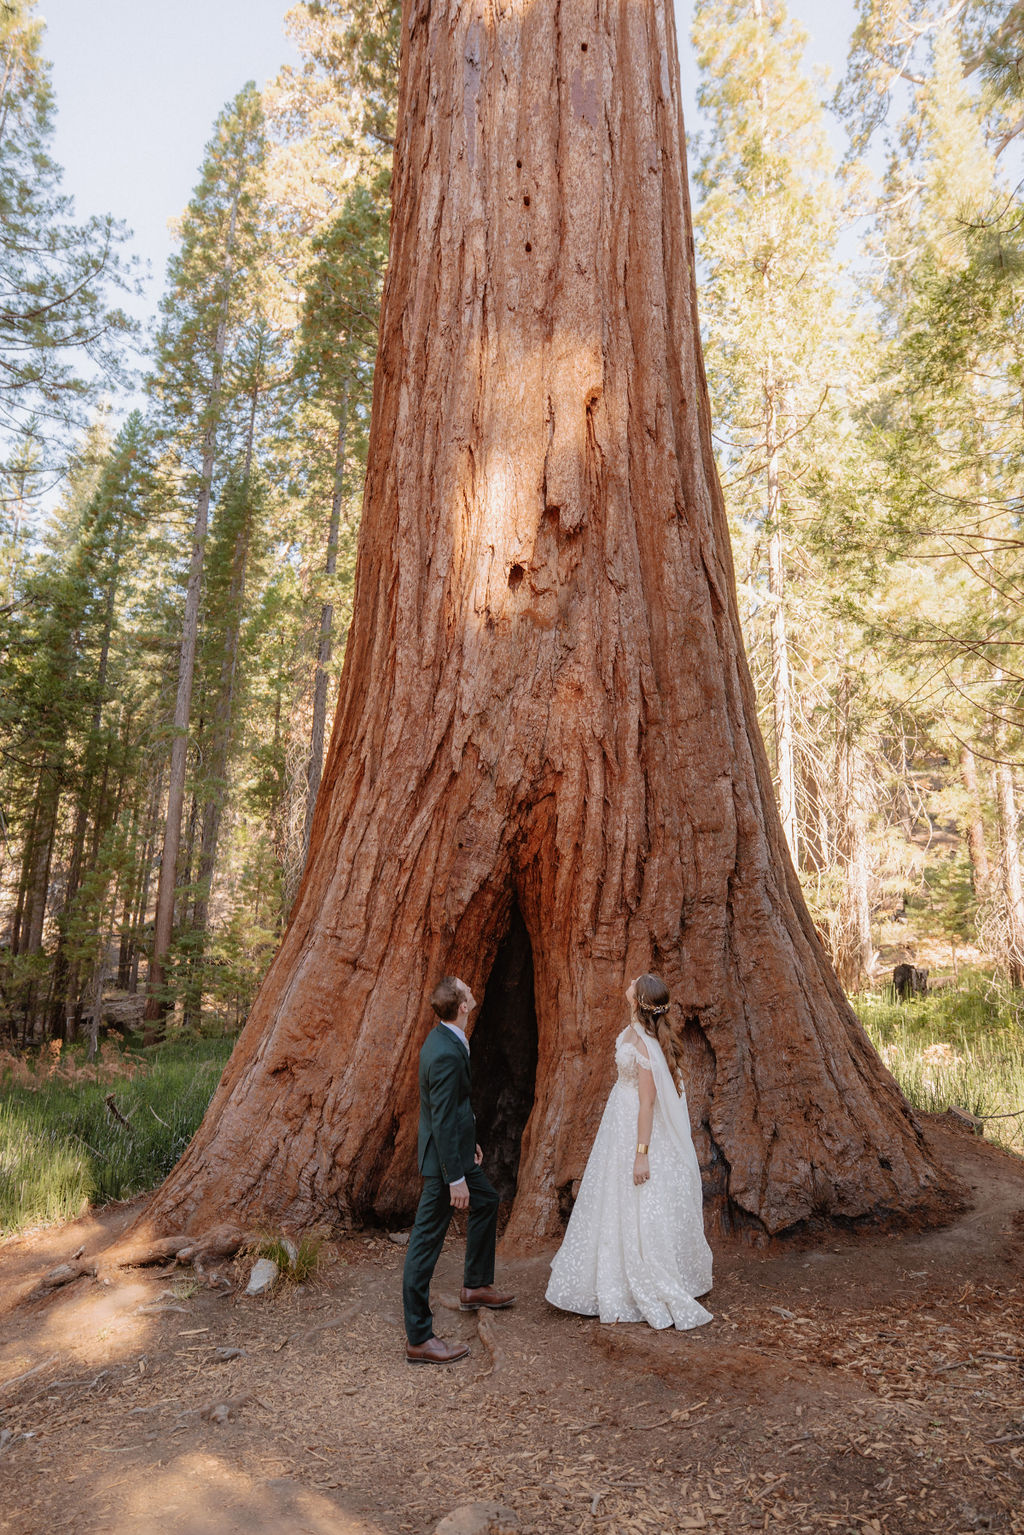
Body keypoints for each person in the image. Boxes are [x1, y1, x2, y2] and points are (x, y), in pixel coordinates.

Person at [545, 972, 713, 1330]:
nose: (630, 983)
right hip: (616, 1126)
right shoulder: (635, 1033)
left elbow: (648, 1104)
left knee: (637, 1199)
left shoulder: (645, 1047)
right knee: (611, 1199)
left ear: (638, 1001)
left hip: (635, 1131)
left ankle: (640, 1276)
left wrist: (641, 1153)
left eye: (634, 985)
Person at [402, 975, 516, 1363]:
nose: (472, 990)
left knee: (487, 1202)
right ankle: (419, 1338)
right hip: (443, 1165)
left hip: (457, 1152)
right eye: (467, 990)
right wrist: (455, 1177)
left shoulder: (448, 1038)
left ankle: (476, 1286)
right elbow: (442, 1120)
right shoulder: (447, 1051)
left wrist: (470, 1147)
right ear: (463, 1006)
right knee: (424, 1246)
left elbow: (452, 1109)